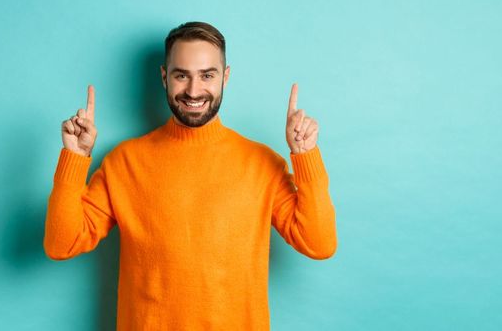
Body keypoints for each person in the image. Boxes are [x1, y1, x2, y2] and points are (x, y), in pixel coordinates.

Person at [44, 21, 337, 330]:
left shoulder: (262, 163)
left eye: (207, 75)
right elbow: (61, 244)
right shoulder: (124, 162)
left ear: (225, 77)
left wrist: (305, 155)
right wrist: (75, 157)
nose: (194, 91)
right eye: (181, 75)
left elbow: (319, 243)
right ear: (164, 77)